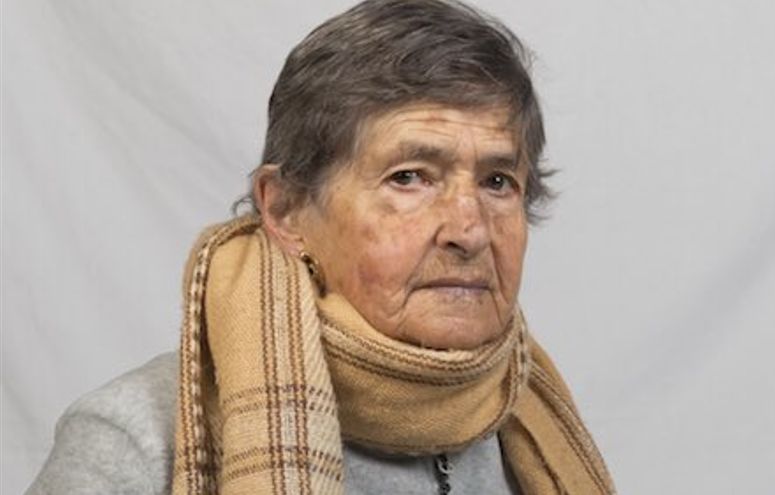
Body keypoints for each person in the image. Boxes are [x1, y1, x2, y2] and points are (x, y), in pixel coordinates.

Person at [27, 1, 616, 493]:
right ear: (285, 210)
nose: (471, 230)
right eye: (409, 177)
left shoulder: (532, 429)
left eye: (497, 182)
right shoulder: (136, 443)